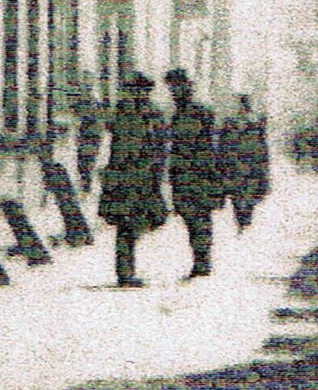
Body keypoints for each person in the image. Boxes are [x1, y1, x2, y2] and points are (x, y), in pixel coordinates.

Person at [98, 72, 167, 286]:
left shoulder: (153, 114)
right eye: (135, 90)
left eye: (143, 91)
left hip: (143, 177)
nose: (139, 94)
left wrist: (157, 171)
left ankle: (126, 272)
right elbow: (114, 145)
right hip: (124, 177)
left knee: (140, 222)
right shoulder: (122, 113)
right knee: (125, 225)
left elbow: (160, 145)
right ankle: (125, 273)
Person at [165, 66, 224, 277]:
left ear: (187, 87)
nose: (174, 92)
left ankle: (202, 261)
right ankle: (200, 259)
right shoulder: (178, 114)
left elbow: (206, 145)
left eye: (177, 87)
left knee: (199, 217)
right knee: (191, 218)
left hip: (199, 173)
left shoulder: (199, 112)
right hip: (183, 175)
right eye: (171, 88)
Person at [220, 91, 271, 231]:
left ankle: (245, 220)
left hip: (249, 165)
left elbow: (262, 148)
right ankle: (242, 221)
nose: (242, 109)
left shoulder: (255, 125)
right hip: (237, 165)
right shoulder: (231, 124)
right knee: (238, 194)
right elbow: (223, 146)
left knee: (247, 194)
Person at [75, 85, 104, 198]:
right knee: (85, 163)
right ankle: (85, 185)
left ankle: (86, 186)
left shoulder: (92, 108)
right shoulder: (93, 106)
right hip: (89, 138)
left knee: (86, 163)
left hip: (91, 138)